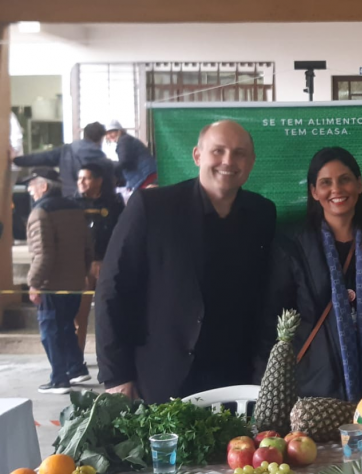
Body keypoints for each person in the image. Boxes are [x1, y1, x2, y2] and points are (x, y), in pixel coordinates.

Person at [95, 120, 276, 403]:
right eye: (218, 151)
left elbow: (264, 297)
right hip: (160, 379)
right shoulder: (151, 207)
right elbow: (111, 290)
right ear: (197, 155)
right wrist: (116, 375)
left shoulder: (262, 213)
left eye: (240, 153)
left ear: (251, 162)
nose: (228, 161)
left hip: (236, 380)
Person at [260, 147, 362, 401]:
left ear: (359, 185)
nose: (336, 189)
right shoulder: (292, 245)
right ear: (314, 192)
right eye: (326, 183)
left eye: (345, 179)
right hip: (315, 384)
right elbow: (274, 317)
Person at [24, 168, 93, 394]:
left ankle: (59, 379)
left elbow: (43, 253)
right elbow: (87, 247)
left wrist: (34, 282)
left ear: (44, 187)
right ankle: (76, 368)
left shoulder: (40, 213)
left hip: (50, 285)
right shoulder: (75, 208)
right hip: (75, 282)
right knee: (65, 328)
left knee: (50, 331)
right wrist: (83, 273)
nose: (29, 189)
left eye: (32, 184)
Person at [72, 163, 125, 355]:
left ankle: (113, 358)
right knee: (79, 316)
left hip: (108, 266)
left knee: (109, 315)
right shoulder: (73, 204)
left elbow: (120, 235)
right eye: (79, 179)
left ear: (99, 181)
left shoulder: (115, 204)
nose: (81, 183)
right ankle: (76, 361)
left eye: (86, 178)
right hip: (81, 267)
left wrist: (105, 260)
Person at [14, 122, 114, 197]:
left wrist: (15, 160)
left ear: (84, 135)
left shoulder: (66, 150)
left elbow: (40, 158)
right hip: (96, 203)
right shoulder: (103, 160)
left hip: (70, 200)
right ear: (101, 139)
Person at [105, 120, 158, 195]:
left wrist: (109, 165)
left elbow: (125, 162)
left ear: (119, 131)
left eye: (111, 132)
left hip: (144, 176)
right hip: (148, 174)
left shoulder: (124, 141)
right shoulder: (126, 139)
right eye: (107, 134)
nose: (109, 136)